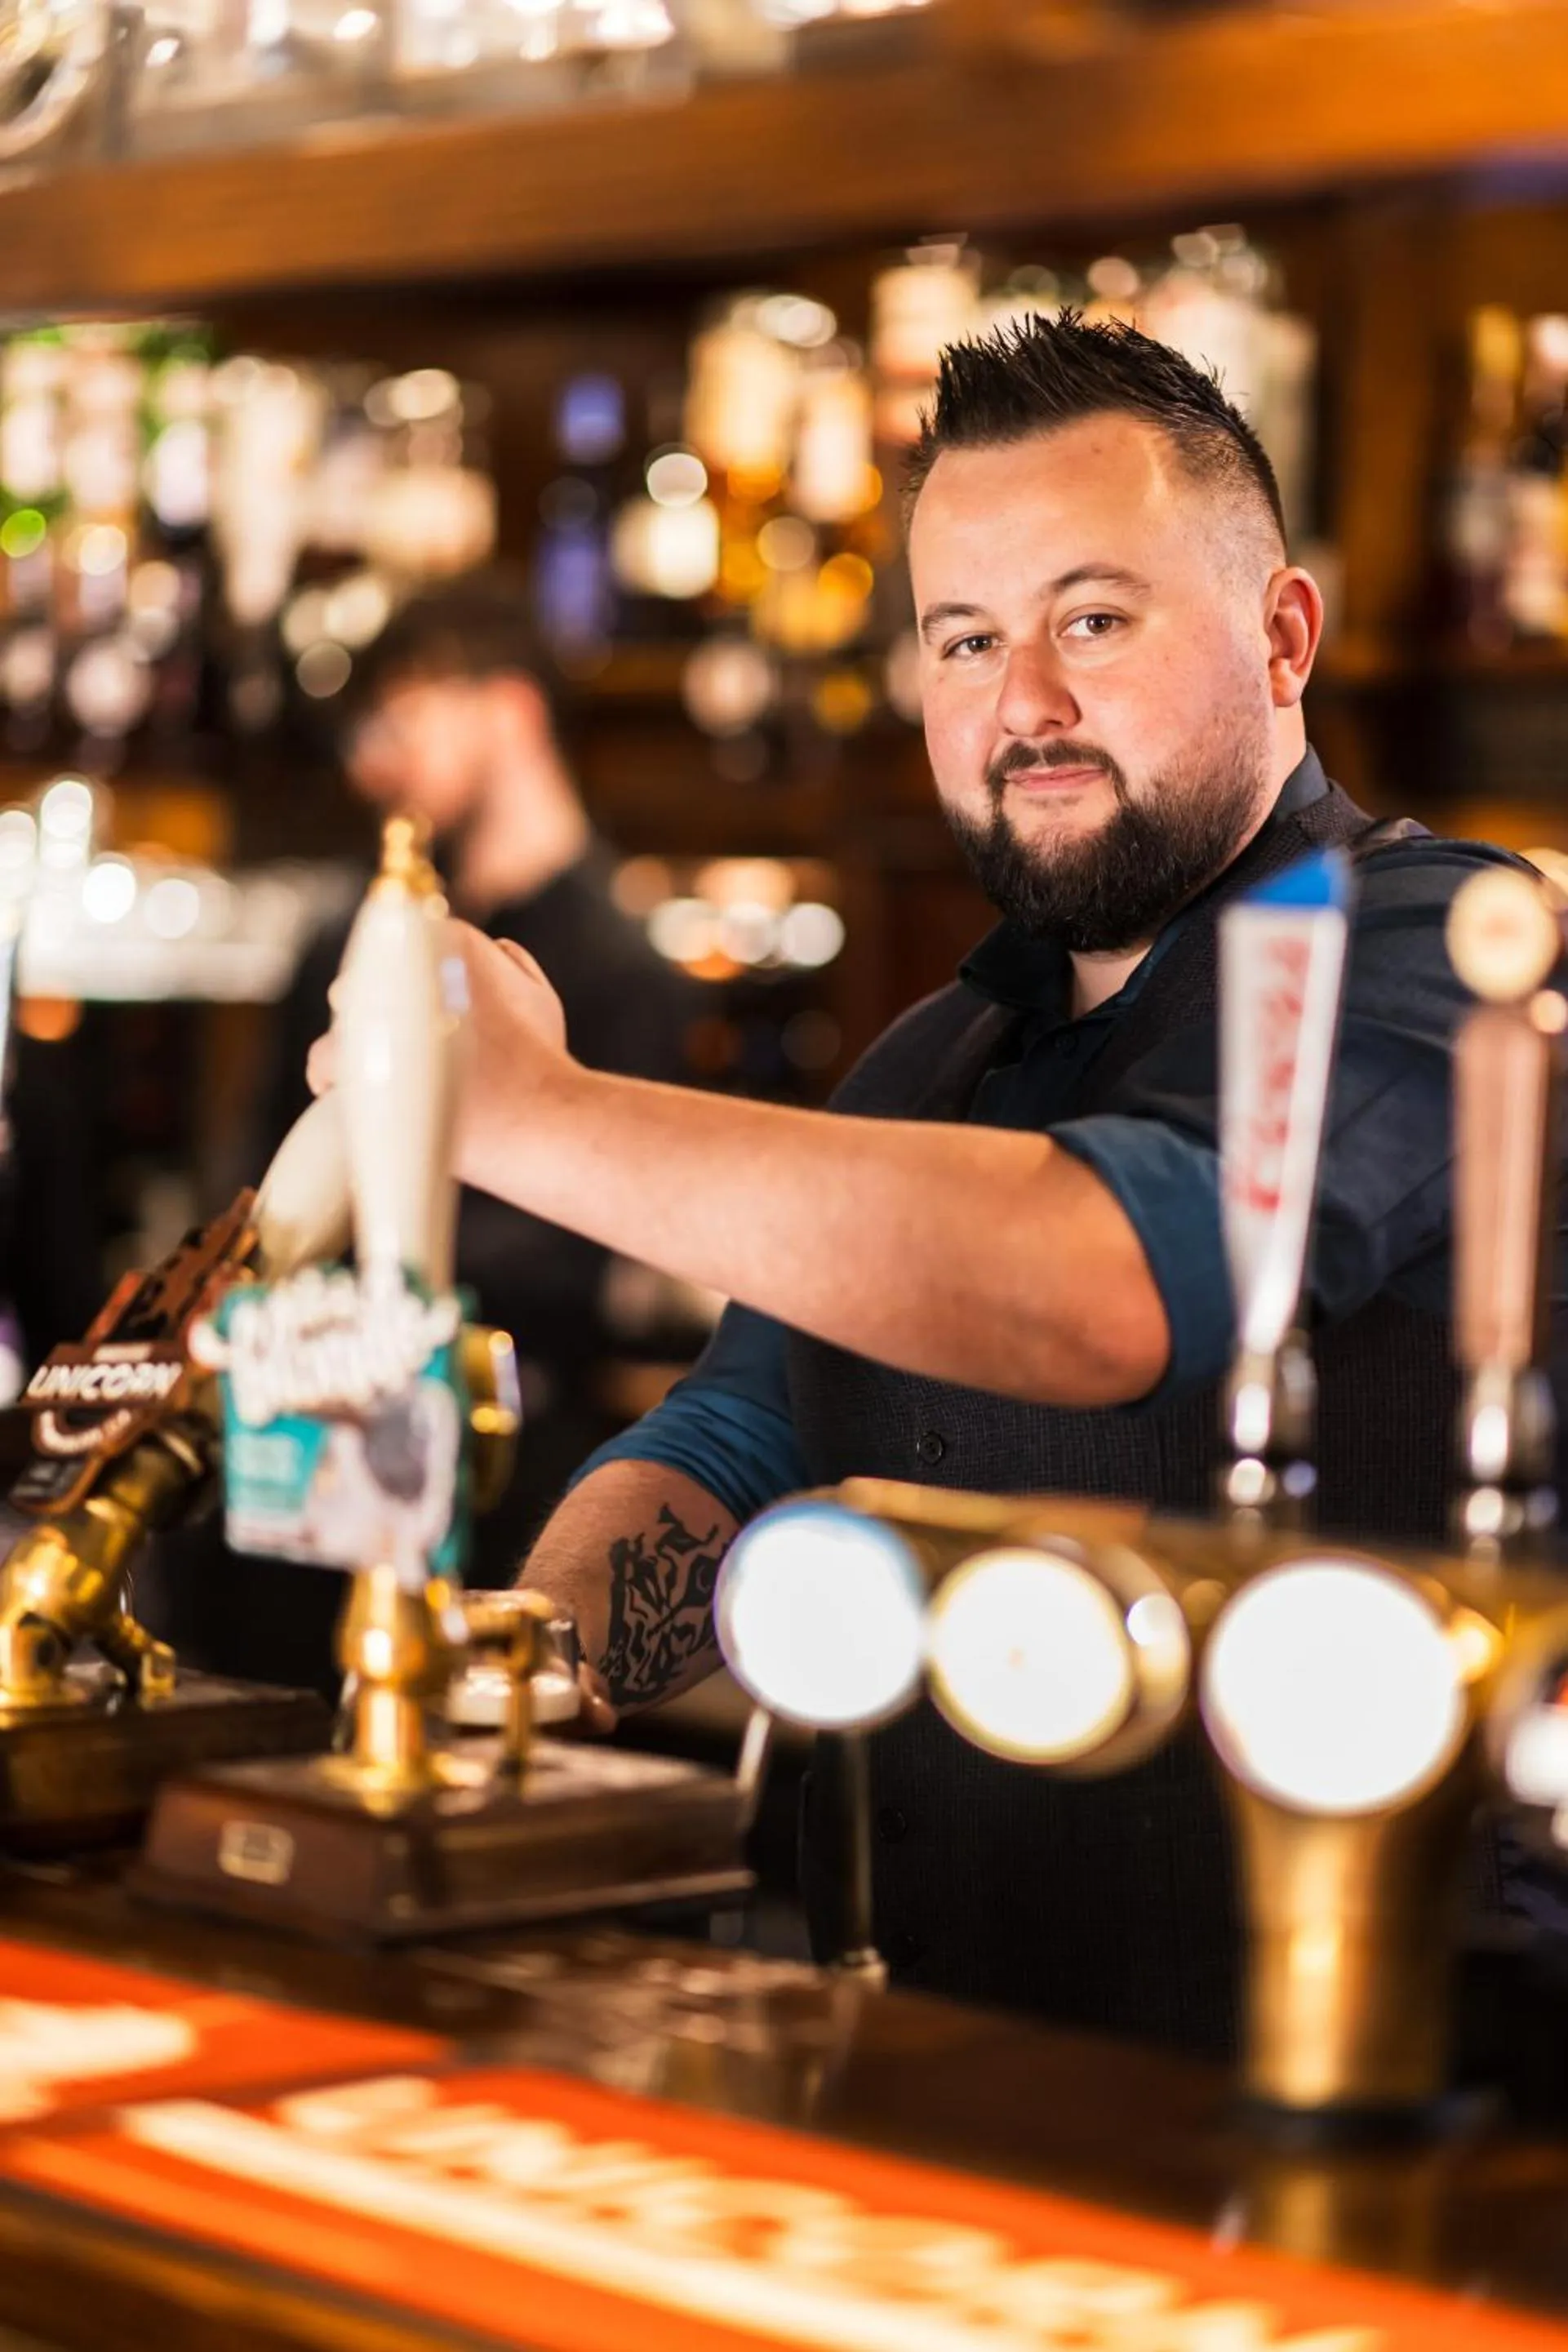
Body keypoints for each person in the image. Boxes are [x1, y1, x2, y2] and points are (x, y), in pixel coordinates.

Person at [312, 318, 1539, 2054]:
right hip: (954, 2052)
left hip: (1383, 2082)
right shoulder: (934, 1058)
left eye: (1091, 621)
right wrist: (527, 1666)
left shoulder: (1438, 959)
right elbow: (735, 1443)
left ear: (1284, 638)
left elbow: (1125, 1274)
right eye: (965, 639)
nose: (1022, 702)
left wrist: (514, 1110)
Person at [156, 567, 694, 1694]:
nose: (371, 763)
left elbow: (588, 1252)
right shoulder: (350, 942)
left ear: (510, 709)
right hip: (301, 1420)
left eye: (402, 720)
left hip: (500, 1440)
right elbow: (254, 1173)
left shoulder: (620, 971)